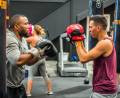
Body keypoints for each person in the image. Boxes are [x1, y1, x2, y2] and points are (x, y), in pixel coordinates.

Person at [66, 15, 118, 98]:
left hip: (104, 91)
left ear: (98, 28)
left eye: (90, 27)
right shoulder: (104, 41)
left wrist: (77, 40)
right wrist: (80, 41)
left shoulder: (104, 43)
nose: (89, 30)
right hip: (106, 88)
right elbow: (87, 55)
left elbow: (83, 59)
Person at [6, 14, 45, 98]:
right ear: (16, 26)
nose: (29, 26)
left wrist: (41, 55)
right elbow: (17, 61)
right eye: (26, 24)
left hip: (18, 85)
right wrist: (36, 51)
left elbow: (28, 62)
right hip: (6, 87)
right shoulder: (9, 39)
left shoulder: (23, 39)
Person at [25, 24, 53, 96]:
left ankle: (28, 93)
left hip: (35, 59)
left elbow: (20, 40)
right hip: (42, 59)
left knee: (30, 76)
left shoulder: (31, 38)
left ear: (34, 31)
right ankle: (50, 91)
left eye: (31, 29)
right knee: (45, 75)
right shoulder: (42, 38)